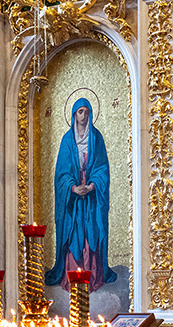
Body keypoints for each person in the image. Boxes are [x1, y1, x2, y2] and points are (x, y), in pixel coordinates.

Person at [45, 98, 117, 292]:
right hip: (74, 197)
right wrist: (73, 187)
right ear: (74, 115)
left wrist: (93, 185)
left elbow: (103, 168)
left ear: (91, 114)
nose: (83, 116)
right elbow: (61, 173)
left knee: (92, 231)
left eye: (86, 112)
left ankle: (92, 277)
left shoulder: (96, 137)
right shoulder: (68, 140)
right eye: (80, 112)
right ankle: (72, 278)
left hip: (92, 196)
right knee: (74, 232)